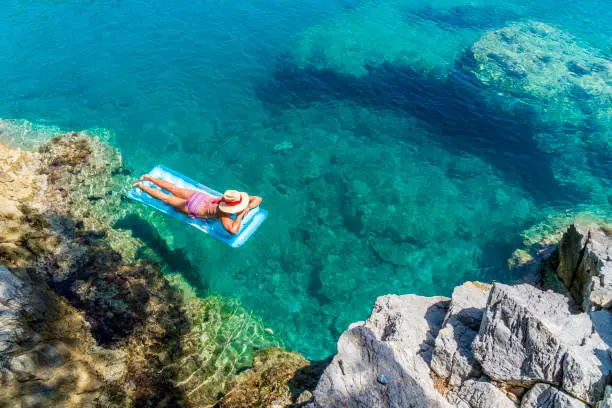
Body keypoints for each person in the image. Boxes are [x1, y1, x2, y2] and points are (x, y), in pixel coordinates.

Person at [133, 175, 262, 235]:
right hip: (193, 208)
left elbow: (258, 198)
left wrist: (248, 207)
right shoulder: (224, 215)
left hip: (199, 196)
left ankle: (148, 178)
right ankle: (140, 186)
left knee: (173, 188)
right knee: (166, 198)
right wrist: (239, 215)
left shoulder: (232, 197)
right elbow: (233, 231)